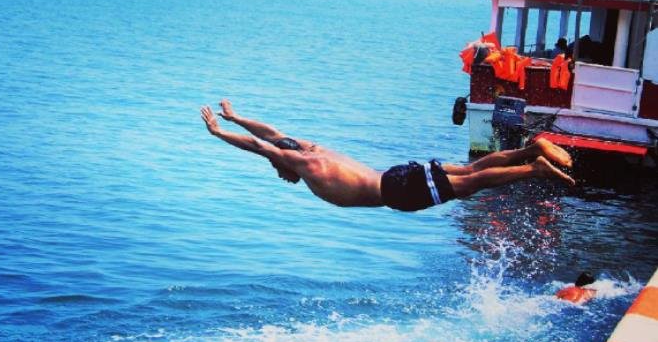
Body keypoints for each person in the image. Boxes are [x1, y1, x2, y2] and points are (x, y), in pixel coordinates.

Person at [200, 100, 575, 211]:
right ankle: (530, 150)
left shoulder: (306, 162)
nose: (280, 173)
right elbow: (273, 135)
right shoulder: (310, 147)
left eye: (277, 167)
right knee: (470, 169)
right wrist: (237, 116)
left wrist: (220, 133)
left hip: (396, 192)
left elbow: (262, 145)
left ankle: (533, 168)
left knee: (473, 183)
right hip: (396, 175)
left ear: (284, 160)